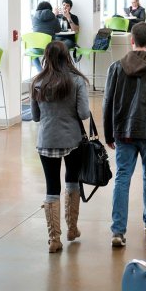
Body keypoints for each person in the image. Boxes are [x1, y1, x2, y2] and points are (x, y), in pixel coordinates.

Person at [103, 22, 146, 247]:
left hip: (124, 132)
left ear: (131, 41)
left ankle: (118, 230)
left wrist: (108, 134)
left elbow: (108, 102)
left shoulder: (116, 67)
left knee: (122, 177)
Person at [30, 41, 90, 253]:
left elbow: (36, 117)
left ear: (46, 57)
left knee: (51, 188)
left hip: (46, 140)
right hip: (72, 140)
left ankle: (54, 239)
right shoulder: (76, 81)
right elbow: (84, 114)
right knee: (72, 180)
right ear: (67, 57)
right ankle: (72, 228)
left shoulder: (37, 82)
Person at [32, 1, 61, 71]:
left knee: (32, 53)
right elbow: (58, 30)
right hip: (49, 49)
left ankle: (40, 71)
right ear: (49, 9)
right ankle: (50, 71)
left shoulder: (34, 17)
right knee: (58, 44)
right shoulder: (53, 17)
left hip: (37, 49)